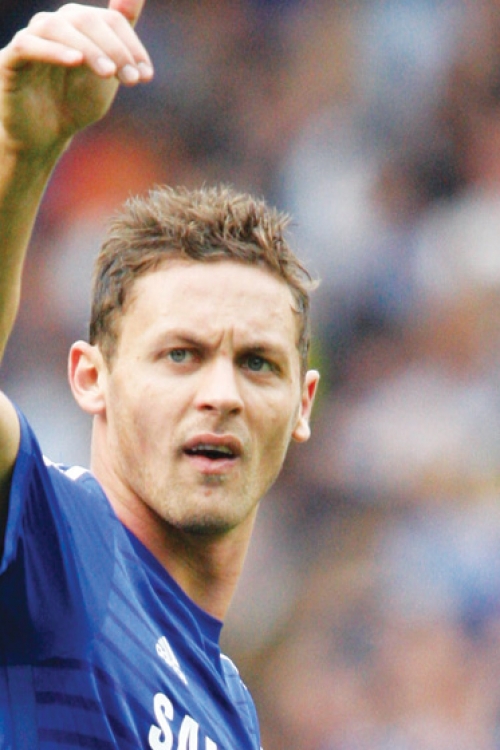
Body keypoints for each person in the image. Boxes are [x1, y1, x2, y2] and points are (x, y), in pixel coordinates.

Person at [0, 1, 319, 748]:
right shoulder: (63, 547)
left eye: (258, 363)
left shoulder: (231, 712)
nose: (221, 395)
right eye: (181, 355)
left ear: (302, 403)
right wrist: (19, 156)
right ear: (91, 378)